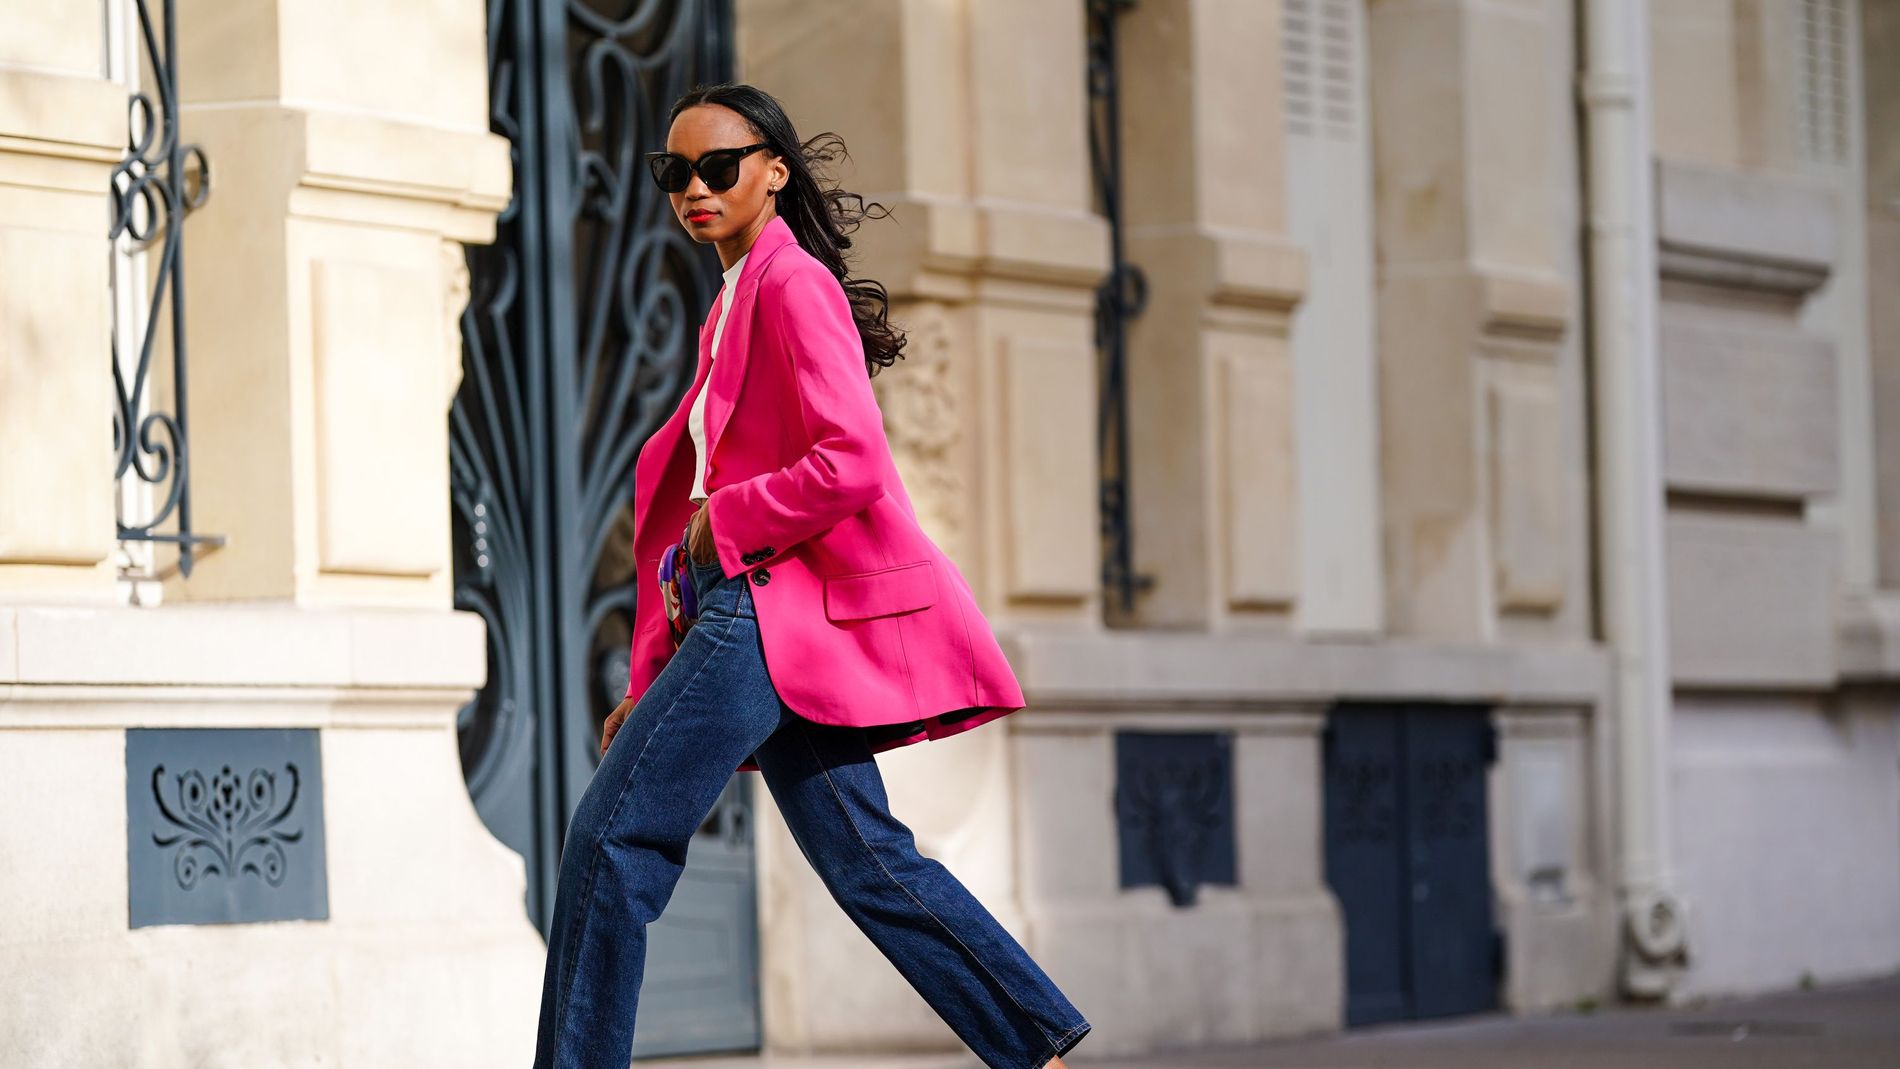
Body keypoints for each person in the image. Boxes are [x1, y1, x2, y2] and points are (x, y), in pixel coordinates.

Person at [531, 82, 1092, 1069]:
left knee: (610, 841)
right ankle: (1034, 1042)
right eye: (675, 173)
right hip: (752, 616)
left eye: (719, 167)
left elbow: (852, 462)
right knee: (869, 860)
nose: (695, 189)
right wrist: (650, 677)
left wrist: (725, 525)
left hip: (761, 612)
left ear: (774, 171)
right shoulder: (733, 299)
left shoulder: (790, 287)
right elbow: (692, 513)